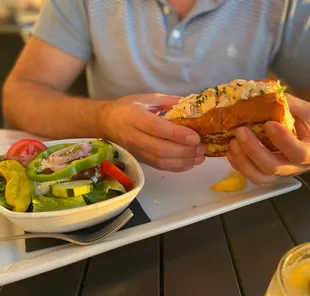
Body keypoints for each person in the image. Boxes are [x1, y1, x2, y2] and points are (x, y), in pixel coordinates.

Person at [2, 0, 310, 184]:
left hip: (247, 196)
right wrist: (105, 119)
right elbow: (20, 94)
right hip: (120, 186)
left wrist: (300, 148)